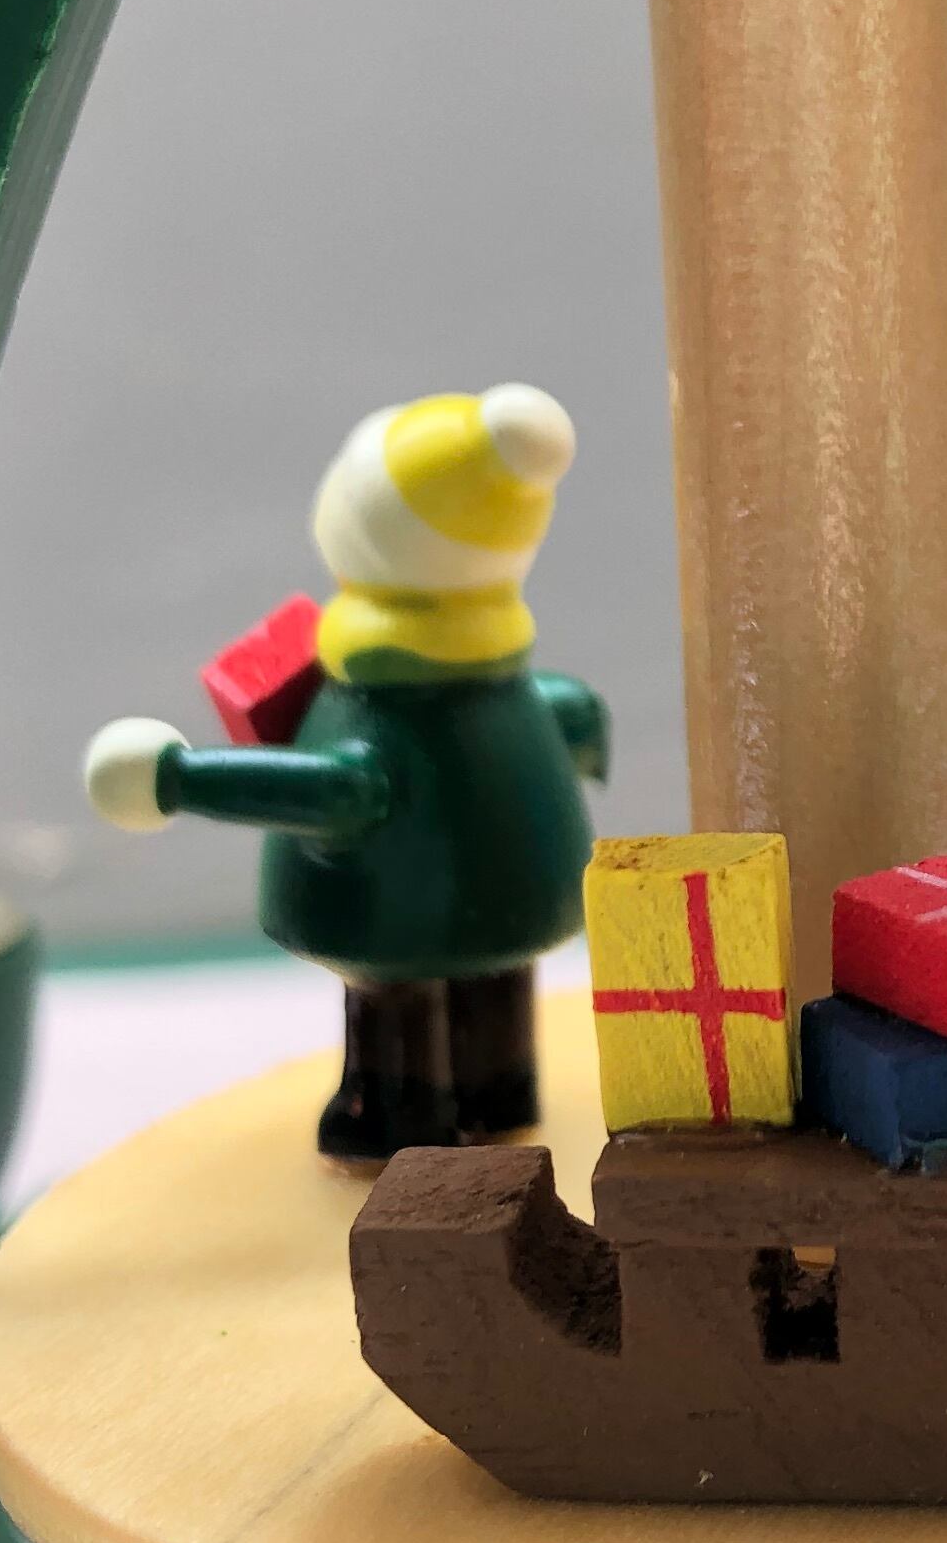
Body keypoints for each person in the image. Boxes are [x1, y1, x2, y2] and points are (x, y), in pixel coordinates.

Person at [85, 384, 607, 1159]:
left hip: (385, 912)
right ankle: (502, 1086)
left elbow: (335, 790)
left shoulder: (386, 703)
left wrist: (177, 778)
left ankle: (399, 1110)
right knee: (495, 979)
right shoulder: (503, 685)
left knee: (393, 993)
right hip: (518, 897)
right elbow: (564, 711)